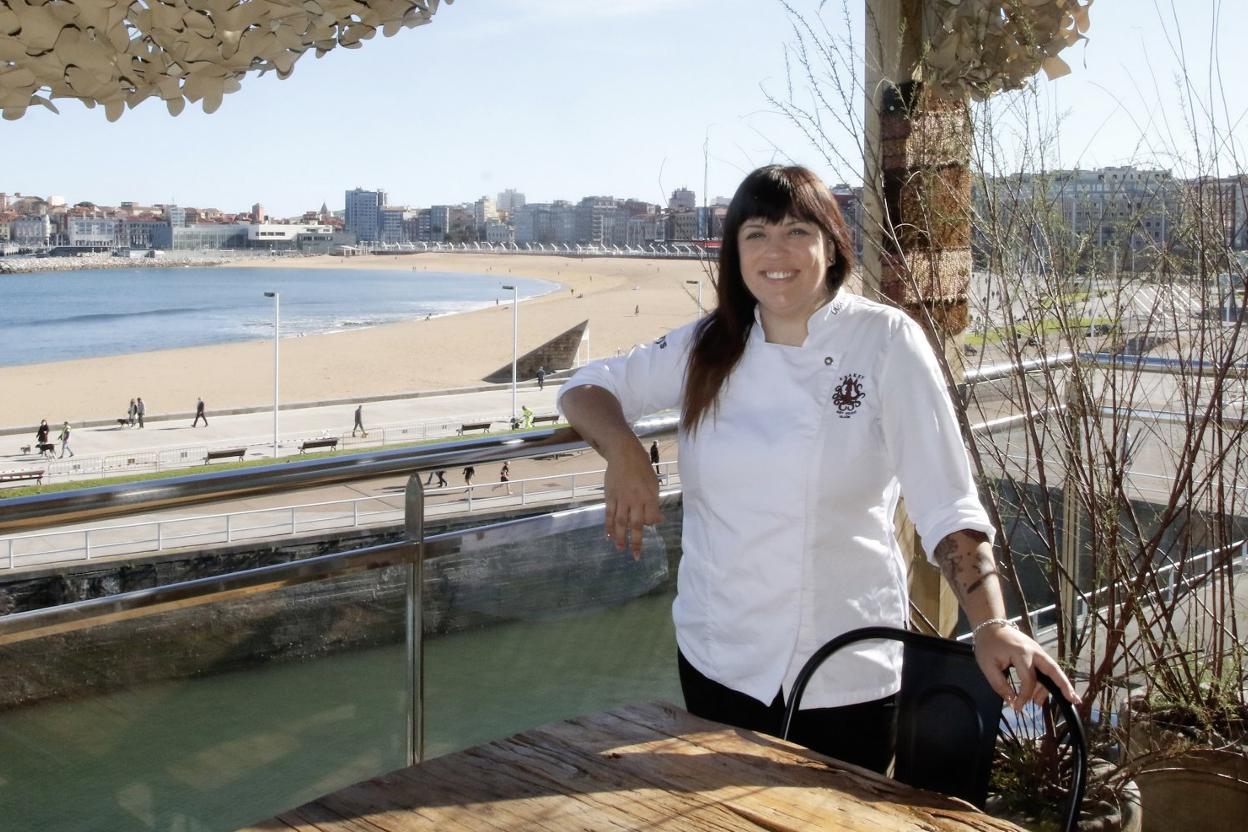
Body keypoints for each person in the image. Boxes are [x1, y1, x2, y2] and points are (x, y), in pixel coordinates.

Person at [558, 165, 1078, 774]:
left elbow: (947, 501)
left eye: (796, 231)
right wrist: (625, 453)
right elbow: (585, 385)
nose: (776, 252)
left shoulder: (885, 341)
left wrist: (991, 623)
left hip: (846, 665)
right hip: (719, 654)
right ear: (735, 253)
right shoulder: (708, 345)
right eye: (756, 234)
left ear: (830, 245)